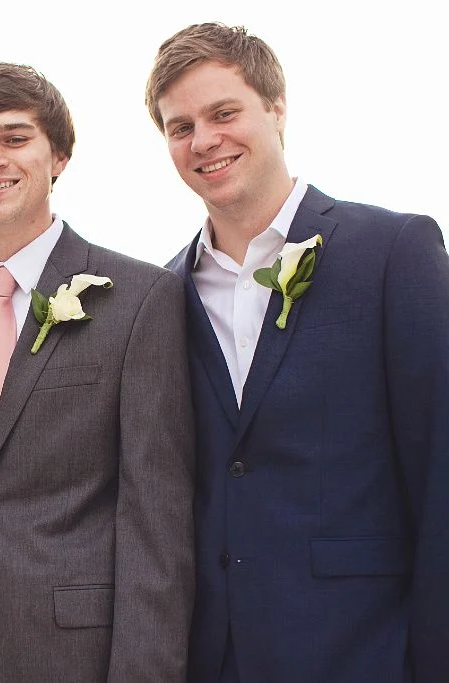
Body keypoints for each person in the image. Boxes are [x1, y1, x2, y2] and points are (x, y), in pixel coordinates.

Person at [147, 22, 449, 683]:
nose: (204, 140)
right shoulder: (161, 295)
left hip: (363, 652)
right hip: (212, 660)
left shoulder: (393, 252)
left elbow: (440, 472)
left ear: (277, 109)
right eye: (180, 127)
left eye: (224, 113)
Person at [0, 62, 196, 683]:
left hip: (70, 649)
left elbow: (157, 519)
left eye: (15, 139)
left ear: (58, 156)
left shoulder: (140, 299)